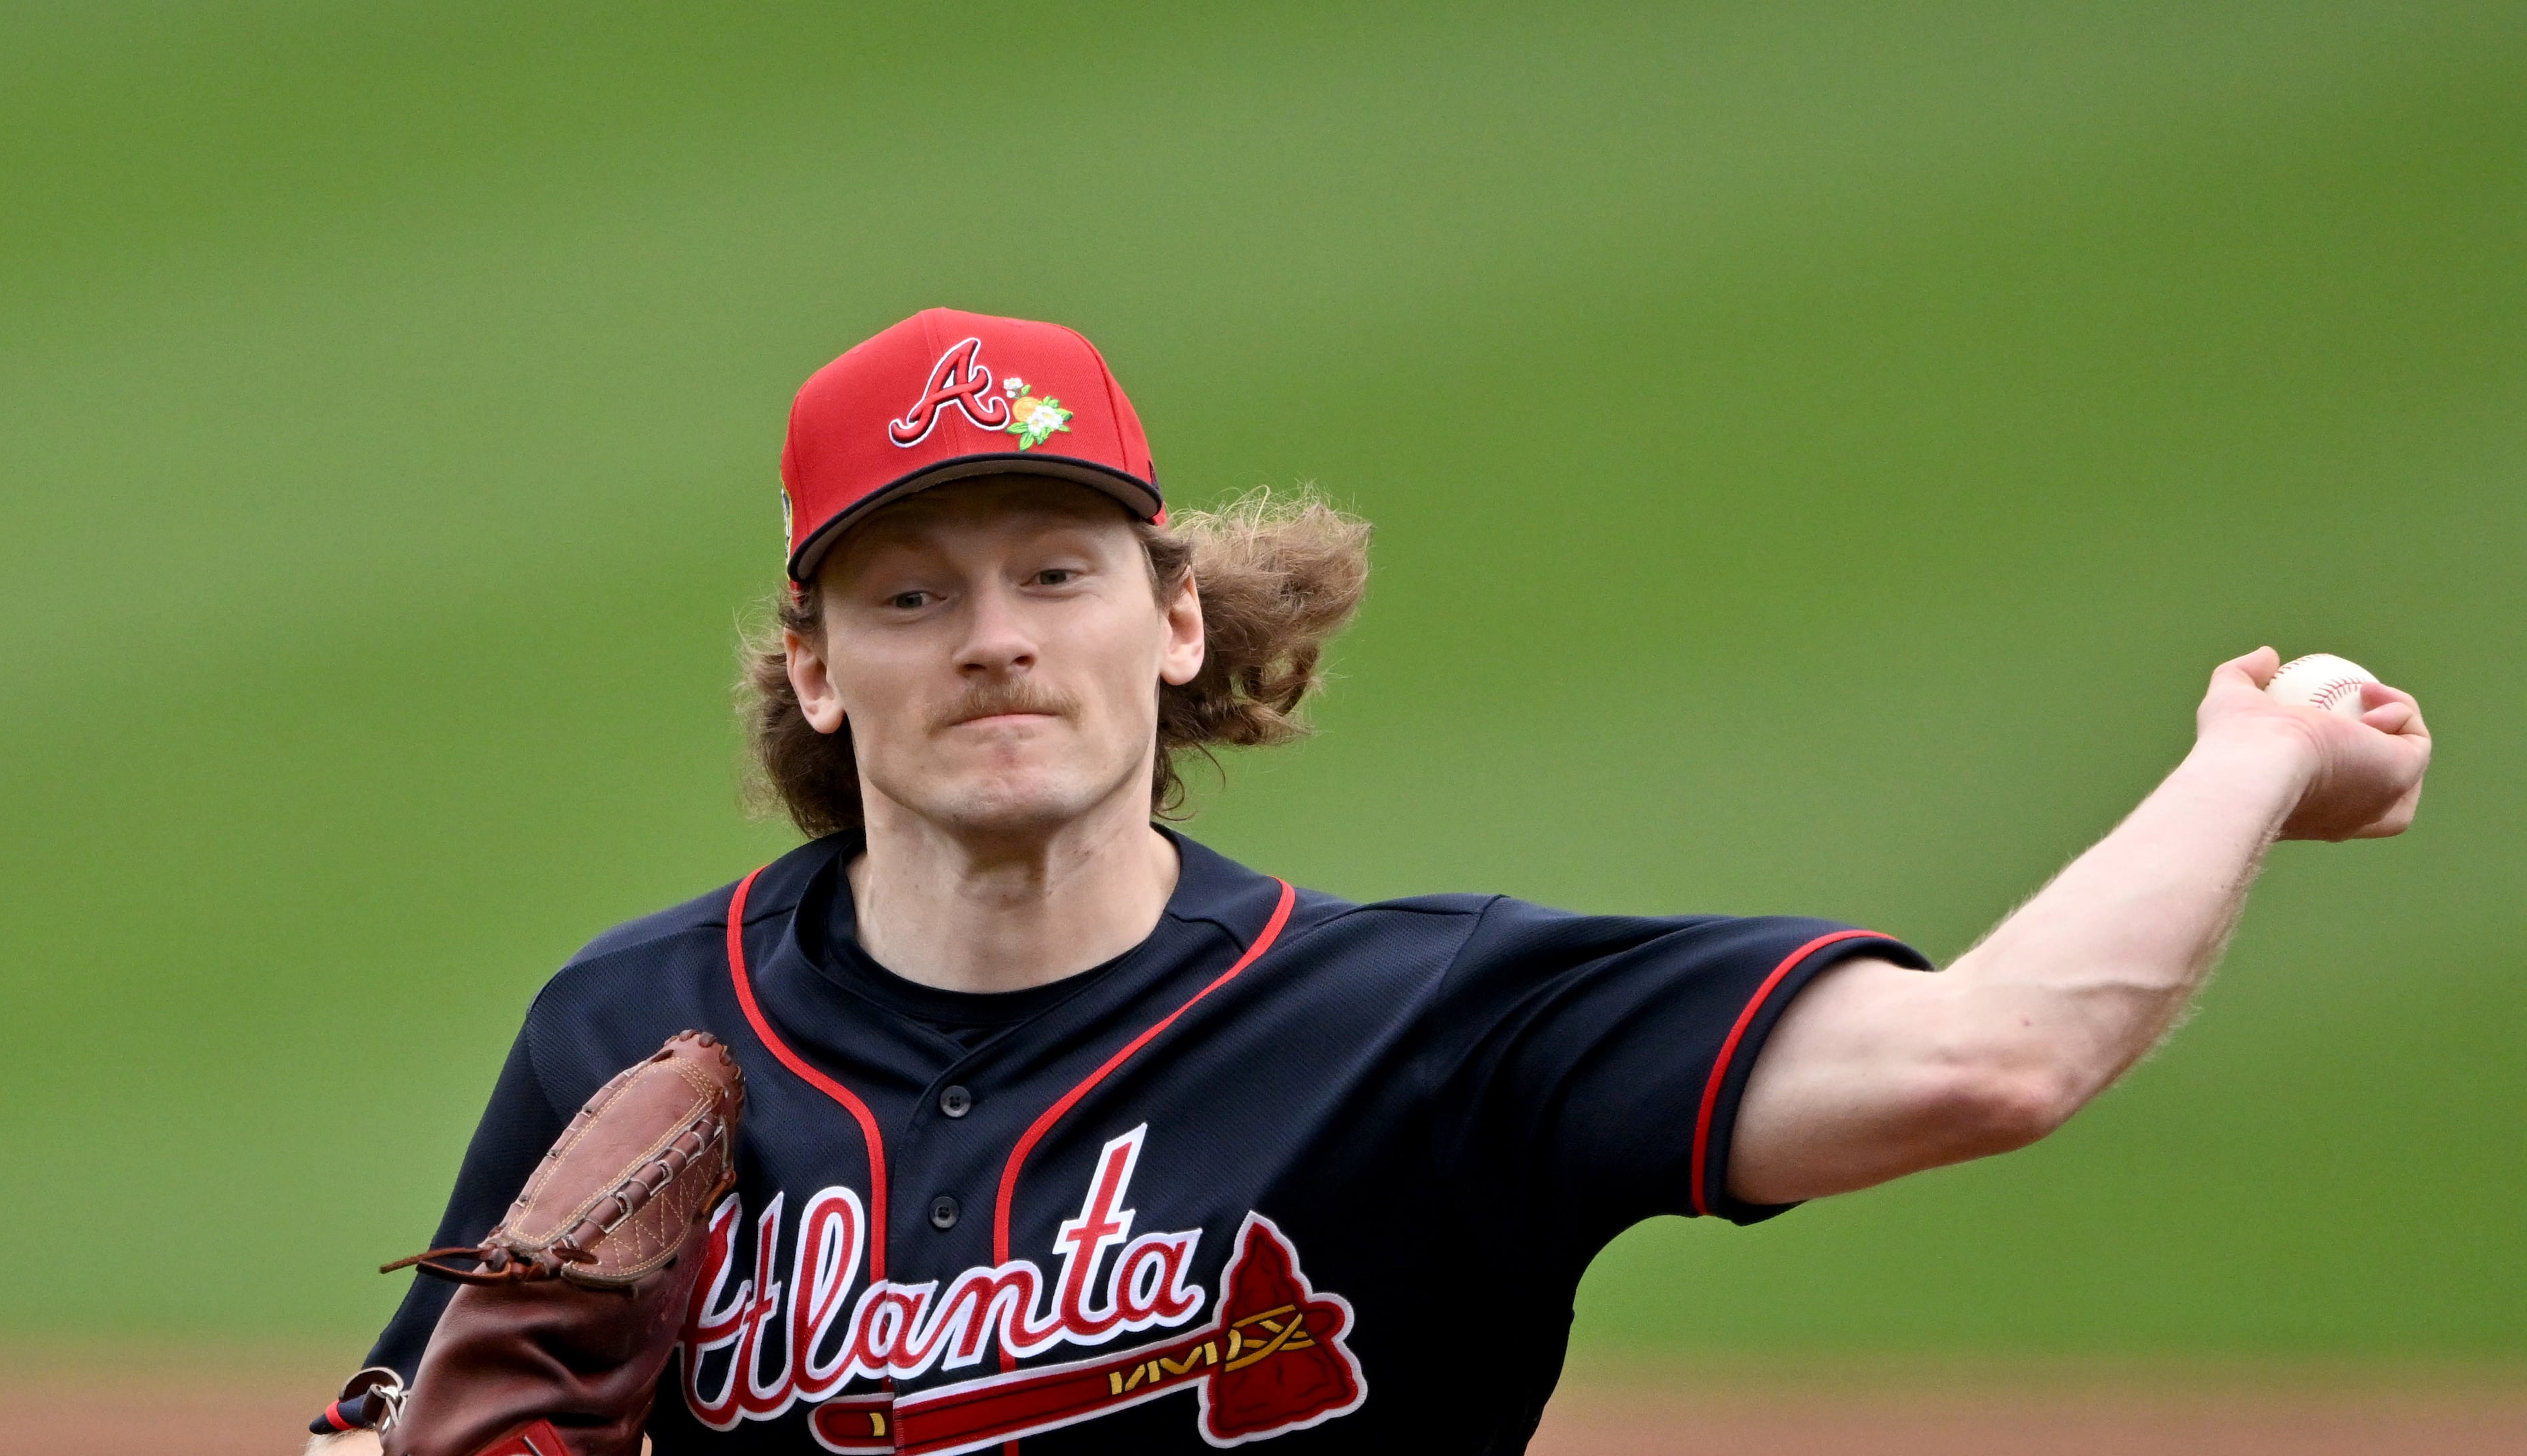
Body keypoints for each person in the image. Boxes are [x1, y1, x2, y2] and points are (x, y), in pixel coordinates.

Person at [311, 309, 2430, 1454]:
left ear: (1174, 624)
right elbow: (416, 1432)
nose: (993, 638)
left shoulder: (1428, 1030)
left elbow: (1984, 1061)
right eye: (911, 590)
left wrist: (2250, 763)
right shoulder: (636, 1037)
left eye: (1058, 573)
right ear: (815, 667)